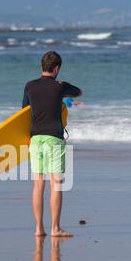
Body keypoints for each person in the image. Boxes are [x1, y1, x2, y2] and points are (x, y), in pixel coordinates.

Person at [22, 51, 82, 237]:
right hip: (54, 139)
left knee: (38, 185)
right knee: (56, 184)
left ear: (42, 67)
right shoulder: (60, 86)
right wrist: (61, 91)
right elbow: (78, 91)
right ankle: (55, 228)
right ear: (56, 68)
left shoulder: (29, 86)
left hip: (35, 139)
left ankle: (39, 229)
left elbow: (24, 111)